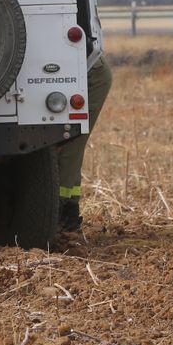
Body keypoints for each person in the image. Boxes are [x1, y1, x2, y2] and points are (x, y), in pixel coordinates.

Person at [55, 45, 112, 233]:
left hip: (90, 75)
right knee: (69, 147)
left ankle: (60, 211)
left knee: (68, 146)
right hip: (80, 71)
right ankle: (69, 209)